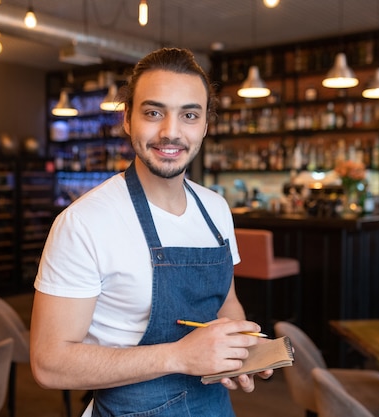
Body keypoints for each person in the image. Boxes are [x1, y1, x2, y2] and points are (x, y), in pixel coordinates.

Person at [30, 47, 272, 417]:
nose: (170, 132)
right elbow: (49, 363)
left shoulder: (216, 209)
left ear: (206, 125)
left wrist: (241, 348)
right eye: (153, 112)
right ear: (127, 119)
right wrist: (179, 356)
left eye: (189, 115)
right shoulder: (84, 223)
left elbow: (226, 303)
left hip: (213, 408)